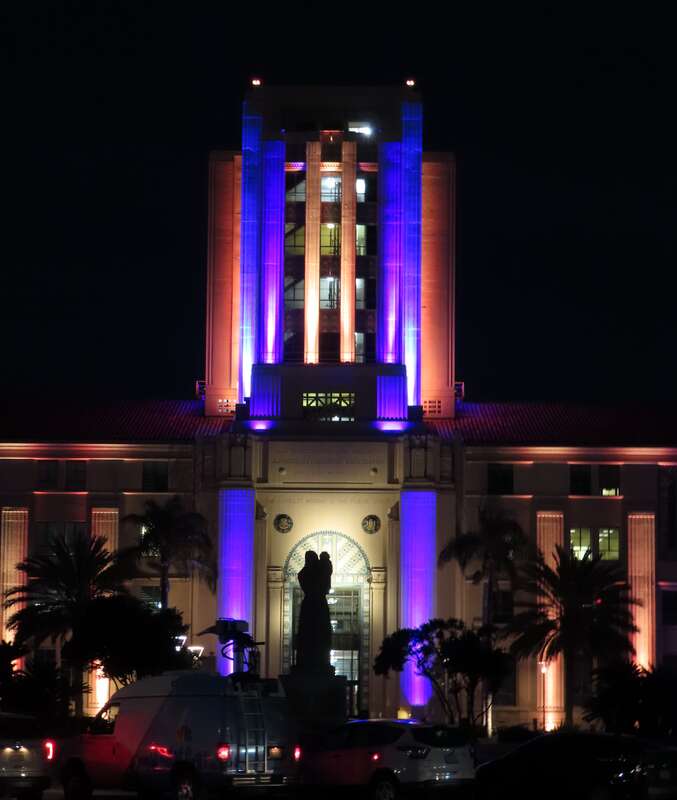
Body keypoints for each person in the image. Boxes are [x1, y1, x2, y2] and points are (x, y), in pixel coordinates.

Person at [295, 550, 333, 673]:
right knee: (313, 633)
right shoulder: (311, 573)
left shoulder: (305, 573)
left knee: (318, 633)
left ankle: (318, 659)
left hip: (313, 605)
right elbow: (326, 581)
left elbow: (326, 577)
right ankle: (315, 659)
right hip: (317, 605)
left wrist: (324, 561)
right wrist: (324, 560)